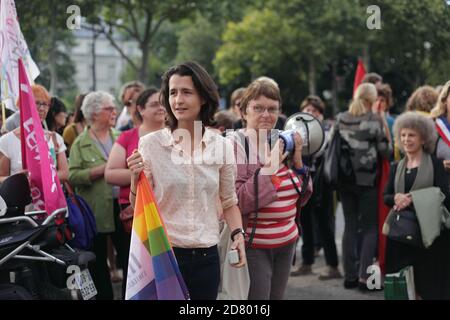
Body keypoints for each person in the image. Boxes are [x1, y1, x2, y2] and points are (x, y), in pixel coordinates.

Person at [126, 62, 246, 300]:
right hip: (163, 255)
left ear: (203, 97)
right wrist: (133, 179)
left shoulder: (222, 146)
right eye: (172, 92)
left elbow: (229, 201)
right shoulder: (151, 145)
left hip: (207, 258)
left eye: (186, 92)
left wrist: (238, 235)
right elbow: (138, 205)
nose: (178, 99)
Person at [228, 79, 312, 300]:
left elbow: (303, 196)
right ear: (243, 111)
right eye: (258, 108)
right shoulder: (234, 146)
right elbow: (237, 201)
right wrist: (270, 168)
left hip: (287, 241)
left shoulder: (281, 141)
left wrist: (299, 163)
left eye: (272, 109)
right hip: (254, 245)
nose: (266, 114)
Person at [68, 91, 129, 300]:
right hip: (95, 209)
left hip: (121, 205)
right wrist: (102, 170)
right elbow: (72, 175)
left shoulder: (120, 136)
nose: (115, 112)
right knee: (98, 258)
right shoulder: (80, 143)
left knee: (129, 254)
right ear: (94, 114)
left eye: (114, 108)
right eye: (109, 108)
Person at [383, 112, 450, 299]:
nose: (406, 139)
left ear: (423, 139)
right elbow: (385, 197)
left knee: (431, 288)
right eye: (403, 135)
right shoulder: (396, 166)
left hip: (431, 237)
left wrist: (413, 198)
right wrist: (395, 197)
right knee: (402, 289)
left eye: (411, 135)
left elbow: (445, 194)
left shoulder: (436, 165)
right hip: (401, 236)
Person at [334, 83, 391, 290]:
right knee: (369, 228)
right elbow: (387, 151)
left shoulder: (341, 118)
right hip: (367, 181)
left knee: (349, 226)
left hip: (345, 180)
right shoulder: (373, 120)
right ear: (372, 99)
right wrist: (383, 120)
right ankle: (364, 278)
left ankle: (349, 276)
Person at [290, 95, 341, 280]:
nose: (309, 114)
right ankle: (307, 262)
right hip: (303, 181)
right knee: (305, 223)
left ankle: (333, 265)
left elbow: (319, 151)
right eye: (306, 110)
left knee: (324, 224)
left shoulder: (327, 132)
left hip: (322, 184)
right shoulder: (296, 132)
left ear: (320, 114)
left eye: (313, 111)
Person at [105, 87, 166, 221]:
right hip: (135, 208)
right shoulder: (127, 137)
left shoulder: (176, 136)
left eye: (163, 103)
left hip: (168, 207)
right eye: (155, 104)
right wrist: (143, 174)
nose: (161, 108)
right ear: (140, 109)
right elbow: (110, 174)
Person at [0, 84, 68, 184]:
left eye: (45, 104)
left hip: (49, 199)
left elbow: (65, 173)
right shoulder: (7, 141)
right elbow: (1, 177)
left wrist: (42, 177)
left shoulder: (55, 138)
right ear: (23, 106)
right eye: (36, 103)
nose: (42, 109)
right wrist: (18, 178)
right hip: (20, 198)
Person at [431, 80, 450, 173]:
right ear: (445, 100)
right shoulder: (433, 126)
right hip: (442, 183)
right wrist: (440, 164)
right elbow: (421, 159)